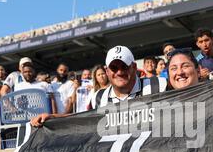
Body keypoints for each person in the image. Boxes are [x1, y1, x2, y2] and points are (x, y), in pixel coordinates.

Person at [31, 45, 167, 126]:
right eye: (114, 68)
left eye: (124, 66)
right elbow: (84, 119)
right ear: (107, 71)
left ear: (134, 67)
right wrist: (52, 118)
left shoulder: (159, 85)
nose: (119, 72)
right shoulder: (99, 97)